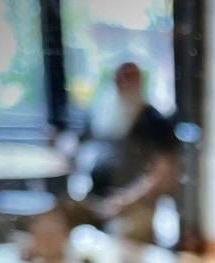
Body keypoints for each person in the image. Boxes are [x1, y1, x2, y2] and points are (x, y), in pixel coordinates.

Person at [67, 61, 178, 244]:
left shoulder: (154, 121)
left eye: (128, 80)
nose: (122, 85)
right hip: (95, 200)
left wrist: (126, 200)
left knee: (123, 235)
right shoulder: (100, 113)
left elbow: (164, 172)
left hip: (135, 206)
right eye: (119, 80)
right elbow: (77, 147)